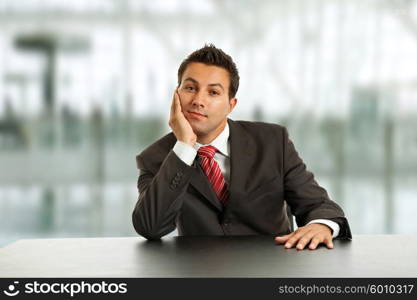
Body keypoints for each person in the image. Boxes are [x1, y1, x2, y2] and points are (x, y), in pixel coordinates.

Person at [132, 44, 351, 250]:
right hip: (199, 272)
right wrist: (185, 147)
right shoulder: (156, 158)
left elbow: (317, 204)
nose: (198, 100)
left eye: (213, 92)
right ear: (176, 95)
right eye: (190, 88)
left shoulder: (273, 141)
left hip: (271, 269)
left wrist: (322, 225)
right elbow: (150, 227)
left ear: (231, 105)